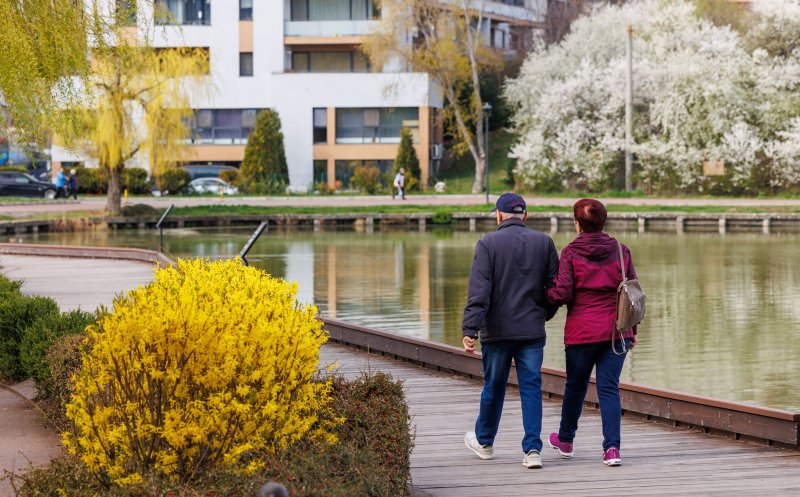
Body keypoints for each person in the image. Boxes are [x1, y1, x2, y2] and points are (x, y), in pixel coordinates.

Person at [463, 192, 559, 469]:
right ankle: (532, 450)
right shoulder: (544, 242)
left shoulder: (488, 243)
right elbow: (555, 290)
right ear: (525, 215)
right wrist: (542, 315)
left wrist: (471, 328)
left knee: (494, 386)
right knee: (531, 388)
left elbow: (479, 292)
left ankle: (485, 442)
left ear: (499, 215)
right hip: (532, 330)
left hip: (497, 332)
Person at [545, 198, 638, 467]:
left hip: (582, 332)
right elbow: (633, 293)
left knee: (575, 387)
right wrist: (633, 331)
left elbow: (562, 293)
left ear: (577, 224)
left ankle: (565, 440)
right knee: (609, 389)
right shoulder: (622, 251)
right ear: (603, 221)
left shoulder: (570, 253)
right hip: (616, 331)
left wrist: (542, 295)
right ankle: (612, 450)